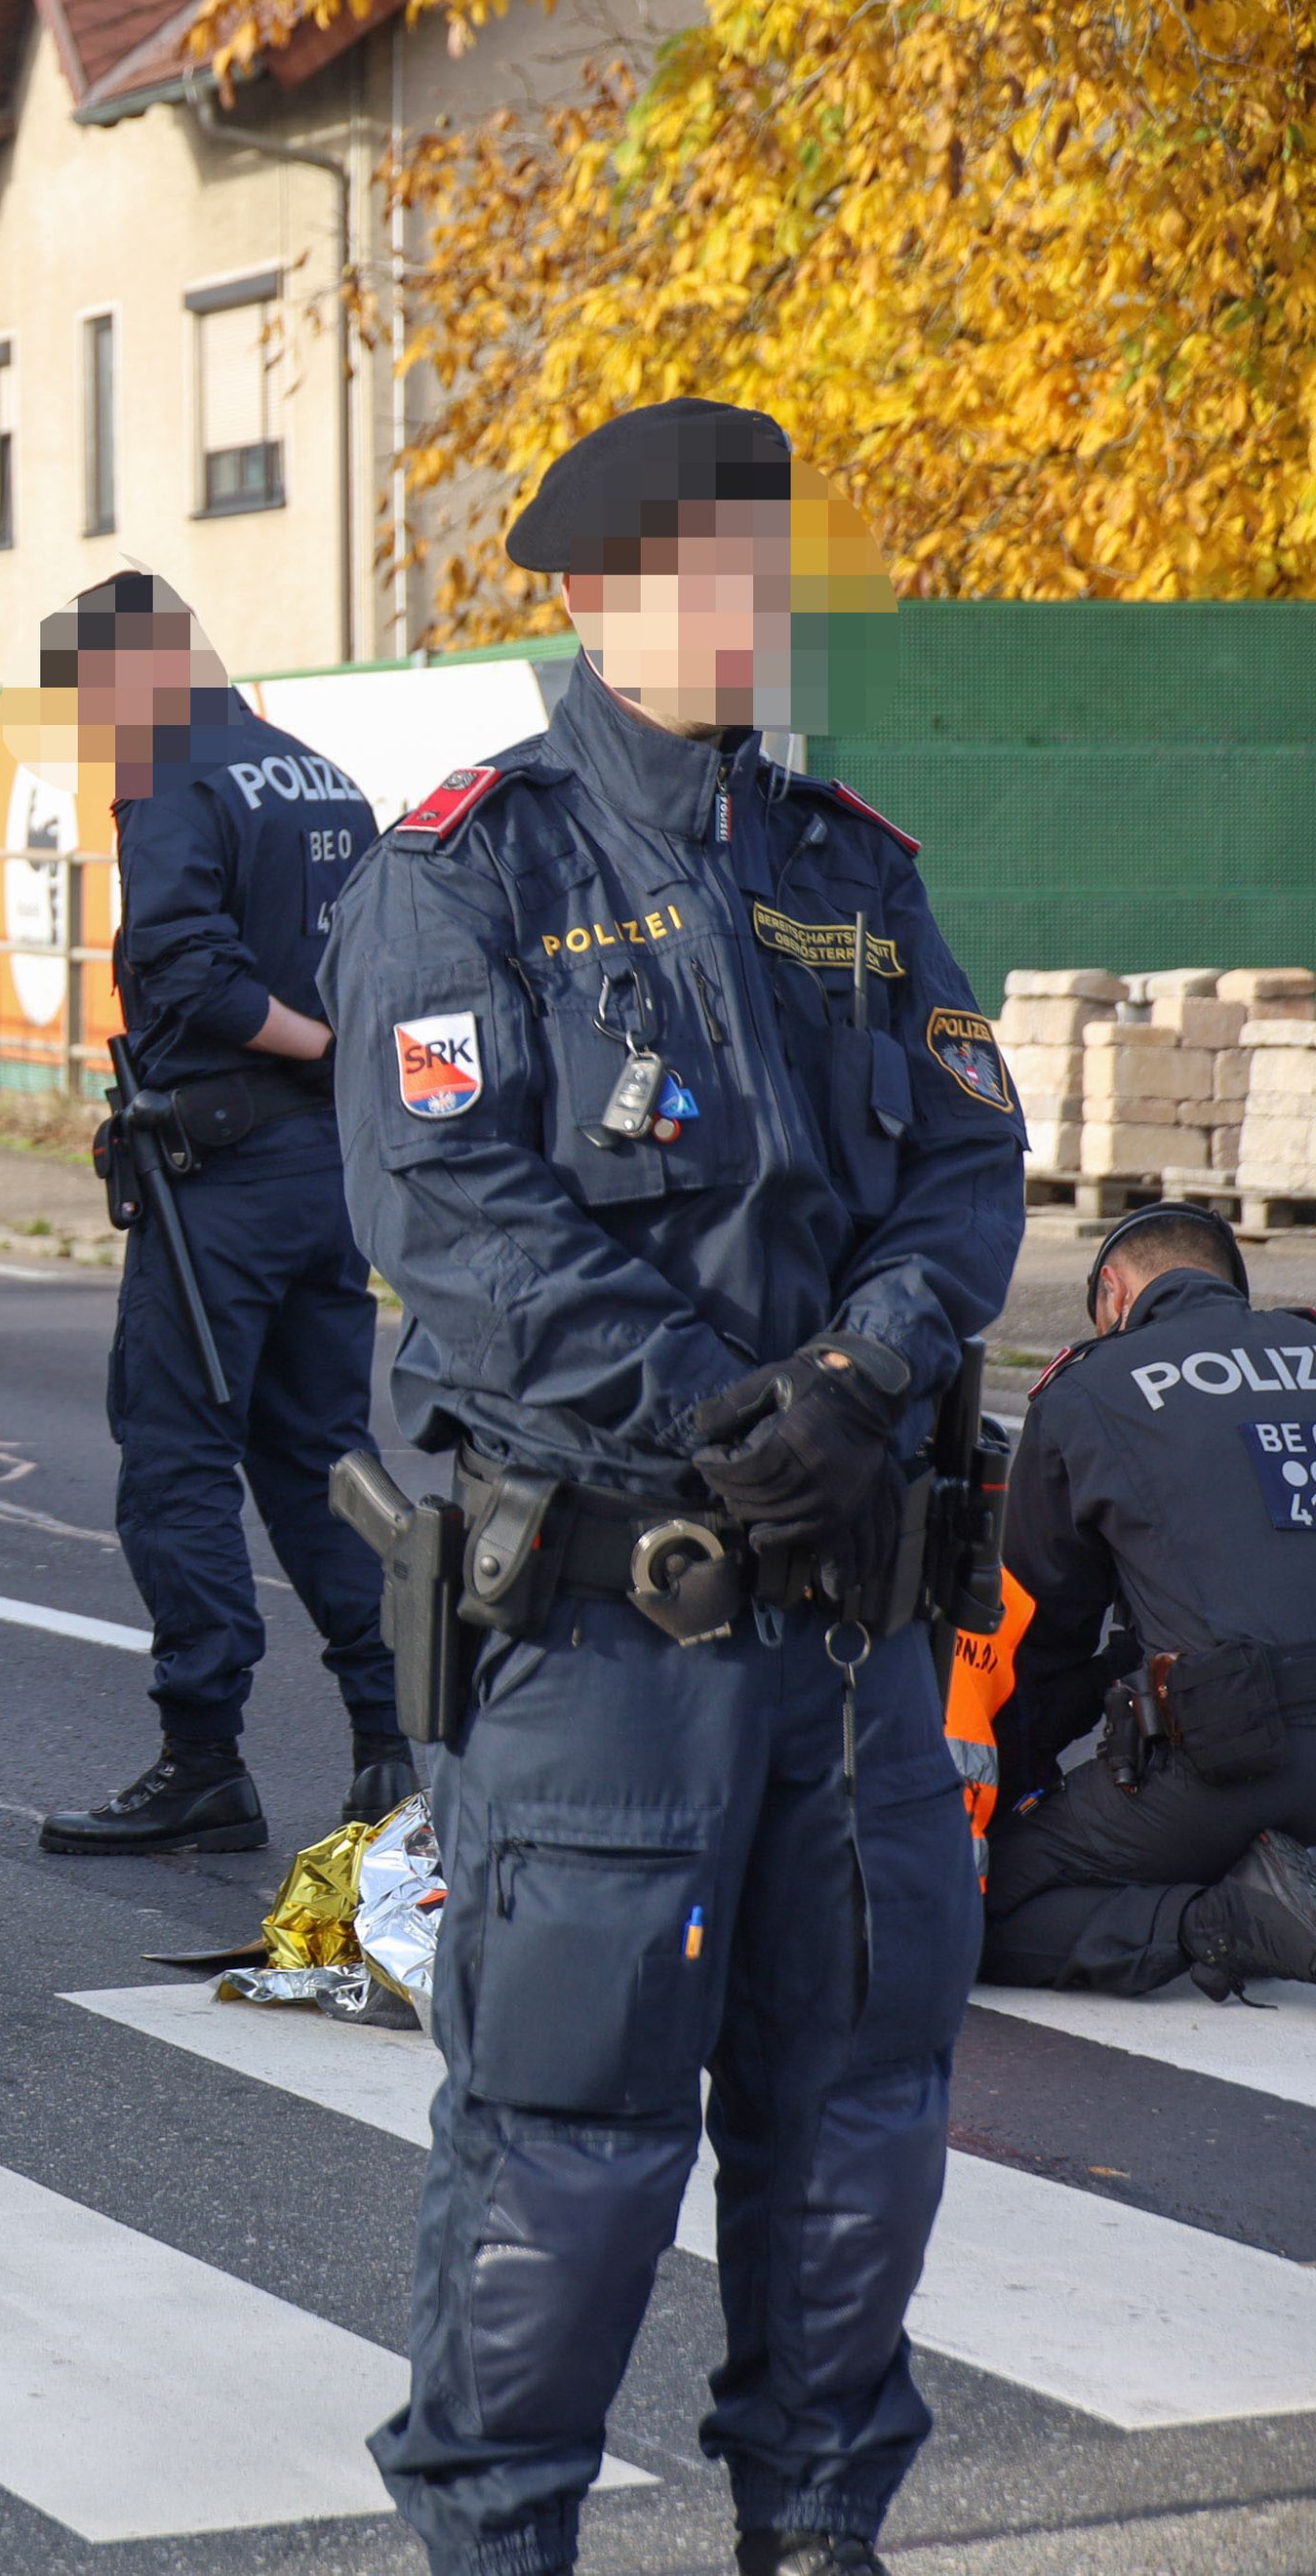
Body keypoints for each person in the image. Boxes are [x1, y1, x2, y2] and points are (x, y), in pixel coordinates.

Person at [324, 400, 1023, 2576]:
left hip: (851, 1636)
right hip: (614, 1627)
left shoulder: (847, 866)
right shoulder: (464, 869)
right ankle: (497, 2542)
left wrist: (863, 1374)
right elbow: (457, 1228)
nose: (753, 609)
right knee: (565, 2138)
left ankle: (817, 2535)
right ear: (591, 593)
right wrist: (743, 1411)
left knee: (856, 2127)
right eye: (709, 570)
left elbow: (965, 1165)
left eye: (769, 565)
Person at [31, 575, 407, 1856]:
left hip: (227, 1172)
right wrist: (346, 1060)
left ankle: (203, 1758)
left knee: (178, 1455)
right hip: (330, 1178)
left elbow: (186, 967)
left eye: (91, 701)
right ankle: (388, 1740)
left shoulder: (174, 773)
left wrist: (315, 1044)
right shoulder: (319, 774)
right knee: (320, 1457)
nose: (96, 732)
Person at [958, 1204, 1316, 1999]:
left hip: (1232, 1758)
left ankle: (1226, 1919)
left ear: (1114, 1294)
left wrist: (1013, 1798)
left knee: (975, 1906)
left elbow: (1039, 1639)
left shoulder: (1091, 1389)